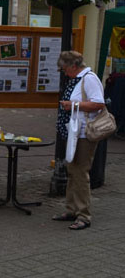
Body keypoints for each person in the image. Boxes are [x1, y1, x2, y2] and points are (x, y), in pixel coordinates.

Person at [52, 51, 105, 230]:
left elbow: (98, 103)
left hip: (84, 133)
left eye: (65, 69)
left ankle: (83, 215)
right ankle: (71, 209)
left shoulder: (89, 79)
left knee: (81, 172)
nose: (65, 73)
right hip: (74, 132)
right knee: (72, 170)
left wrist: (73, 105)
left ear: (74, 66)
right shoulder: (76, 79)